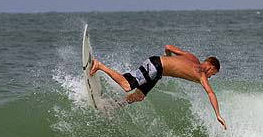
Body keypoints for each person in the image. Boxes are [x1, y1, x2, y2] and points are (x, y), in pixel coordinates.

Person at [90, 44, 227, 129]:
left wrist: (169, 60)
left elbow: (168, 47)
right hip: (156, 66)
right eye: (213, 74)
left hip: (158, 69)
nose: (210, 77)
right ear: (210, 67)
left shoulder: (192, 57)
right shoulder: (201, 74)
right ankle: (99, 65)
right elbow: (211, 93)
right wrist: (218, 115)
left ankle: (112, 105)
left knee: (138, 96)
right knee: (127, 85)